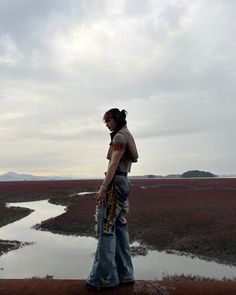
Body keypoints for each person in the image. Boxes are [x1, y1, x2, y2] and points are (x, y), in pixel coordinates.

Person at [86, 108, 138, 291]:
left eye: (108, 120)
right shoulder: (126, 134)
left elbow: (114, 164)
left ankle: (104, 279)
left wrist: (103, 188)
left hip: (115, 184)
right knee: (120, 228)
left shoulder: (119, 137)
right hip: (123, 182)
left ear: (116, 120)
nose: (106, 124)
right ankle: (126, 274)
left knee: (106, 229)